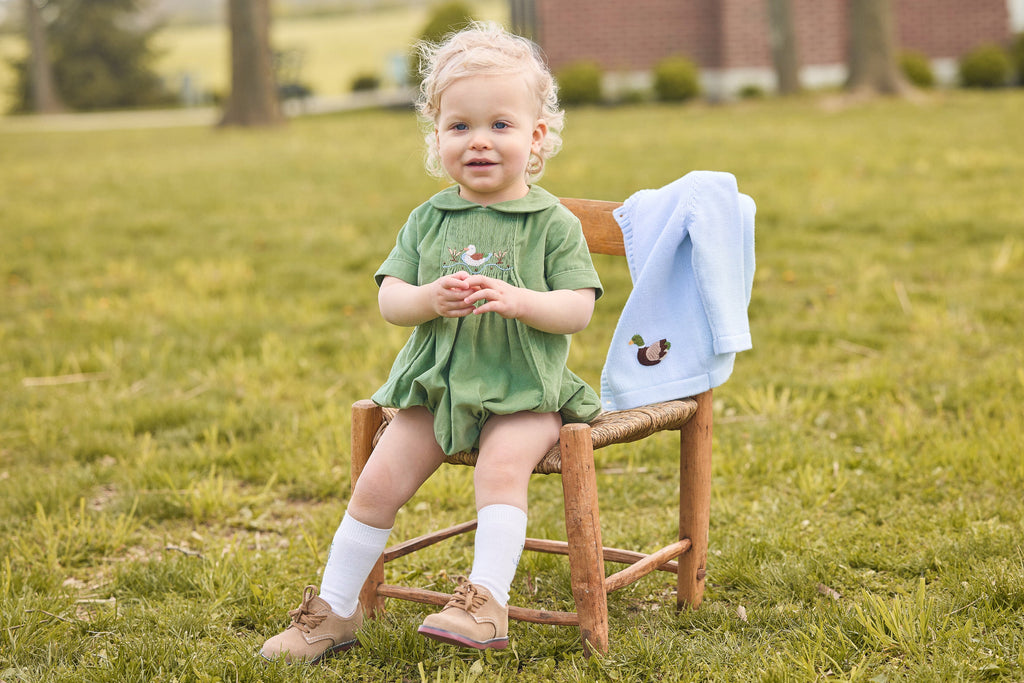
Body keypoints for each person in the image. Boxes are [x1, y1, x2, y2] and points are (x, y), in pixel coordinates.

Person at [260, 21, 603, 664]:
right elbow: (391, 298)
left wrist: (521, 301)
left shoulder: (553, 223)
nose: (479, 141)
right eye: (459, 126)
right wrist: (426, 299)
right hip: (437, 386)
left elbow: (578, 309)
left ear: (536, 137)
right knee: (375, 483)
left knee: (502, 470)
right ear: (437, 136)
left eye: (500, 125)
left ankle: (486, 603)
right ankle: (331, 614)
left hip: (526, 391)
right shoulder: (429, 218)